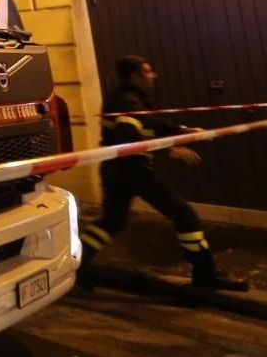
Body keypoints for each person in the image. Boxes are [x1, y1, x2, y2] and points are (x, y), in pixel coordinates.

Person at [80, 56, 249, 293]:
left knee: (111, 222)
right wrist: (169, 148)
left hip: (116, 169)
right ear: (135, 76)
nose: (153, 76)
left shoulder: (127, 98)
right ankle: (206, 274)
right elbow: (128, 133)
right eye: (148, 72)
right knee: (185, 215)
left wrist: (181, 130)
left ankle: (76, 266)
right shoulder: (128, 101)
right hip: (132, 170)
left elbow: (149, 123)